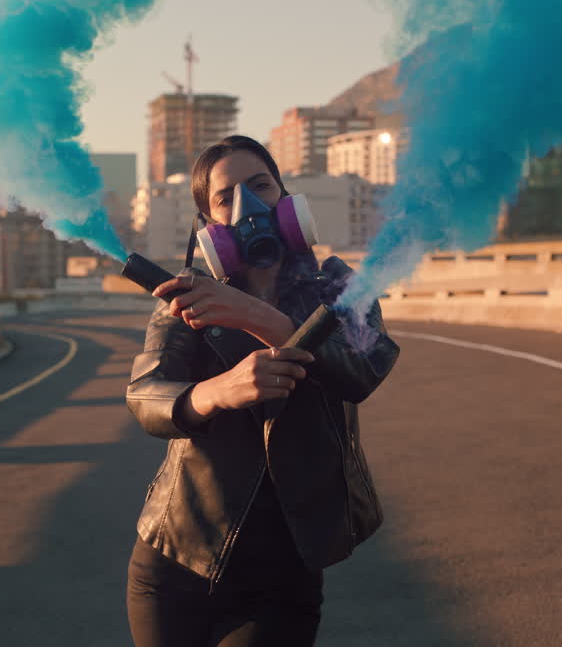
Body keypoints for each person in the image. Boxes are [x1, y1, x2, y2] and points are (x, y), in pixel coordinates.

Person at [124, 135, 400, 646]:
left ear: (286, 198)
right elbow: (145, 396)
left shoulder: (341, 290)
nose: (247, 206)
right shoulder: (189, 298)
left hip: (283, 576)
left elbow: (364, 370)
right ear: (208, 226)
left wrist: (261, 318)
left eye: (260, 186)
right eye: (225, 198)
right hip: (175, 562)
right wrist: (216, 391)